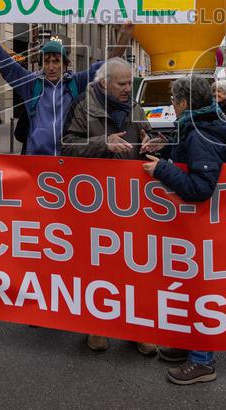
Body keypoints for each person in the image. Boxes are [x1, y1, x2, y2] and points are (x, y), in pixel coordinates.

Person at [62, 57, 163, 355]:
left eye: (130, 83)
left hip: (130, 201)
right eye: (122, 83)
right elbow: (66, 145)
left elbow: (147, 135)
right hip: (94, 200)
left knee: (135, 266)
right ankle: (98, 328)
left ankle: (139, 328)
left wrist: (156, 142)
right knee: (98, 268)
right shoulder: (82, 105)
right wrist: (102, 143)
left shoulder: (133, 106)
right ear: (104, 83)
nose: (127, 89)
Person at [142, 76, 226, 385]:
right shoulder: (202, 124)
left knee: (199, 288)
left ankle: (201, 360)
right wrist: (167, 147)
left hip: (201, 227)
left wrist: (162, 169)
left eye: (173, 98)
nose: (171, 103)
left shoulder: (199, 133)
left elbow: (199, 187)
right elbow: (190, 154)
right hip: (195, 227)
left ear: (184, 103)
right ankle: (188, 344)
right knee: (187, 286)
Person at [0, 13, 133, 156]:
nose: (51, 67)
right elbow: (6, 64)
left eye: (56, 61)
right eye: (46, 61)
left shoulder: (76, 83)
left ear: (65, 64)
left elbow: (107, 66)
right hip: (36, 160)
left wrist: (124, 37)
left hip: (67, 160)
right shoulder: (32, 84)